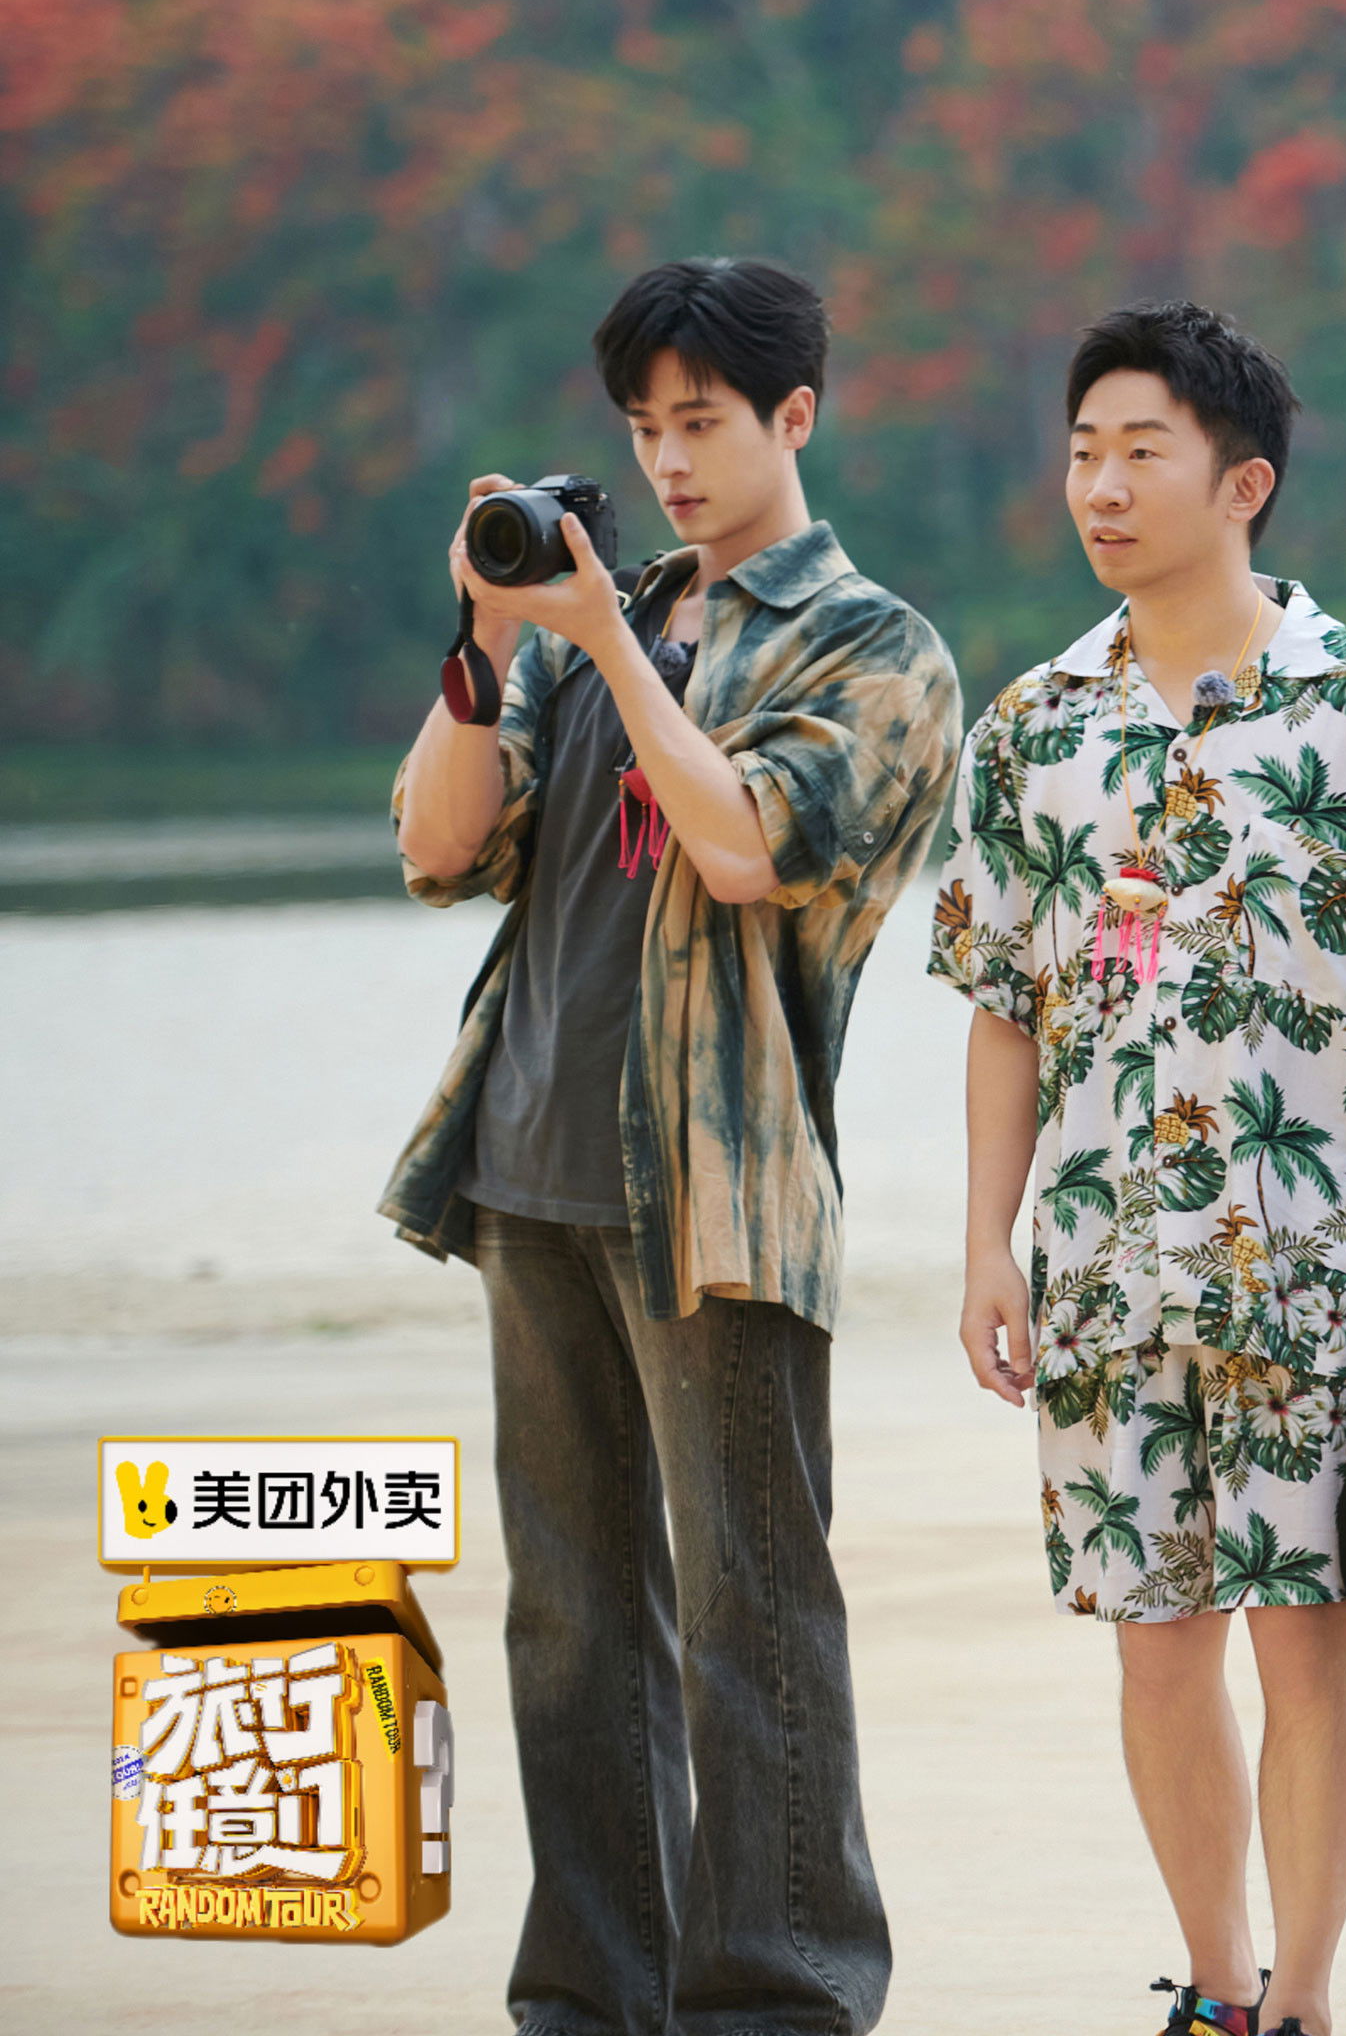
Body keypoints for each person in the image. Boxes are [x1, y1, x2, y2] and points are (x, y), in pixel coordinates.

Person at [383, 256, 961, 2036]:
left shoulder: (876, 649)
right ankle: (590, 1997)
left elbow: (745, 844)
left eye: (701, 423)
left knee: (750, 1611)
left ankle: (778, 1997)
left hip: (717, 1192)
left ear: (796, 416)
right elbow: (438, 848)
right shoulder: (596, 619)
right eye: (644, 429)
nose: (668, 463)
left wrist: (615, 645)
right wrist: (491, 645)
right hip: (526, 1166)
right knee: (567, 1618)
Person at [933, 300, 1346, 2036]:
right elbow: (1005, 1011)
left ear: (1242, 484)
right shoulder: (1033, 727)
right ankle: (1223, 1993)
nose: (1100, 485)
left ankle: (1305, 1998)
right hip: (1105, 1264)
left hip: (1318, 1258)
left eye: (1140, 452)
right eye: (1083, 452)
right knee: (1154, 1641)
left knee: (1305, 1634)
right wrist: (988, 1245)